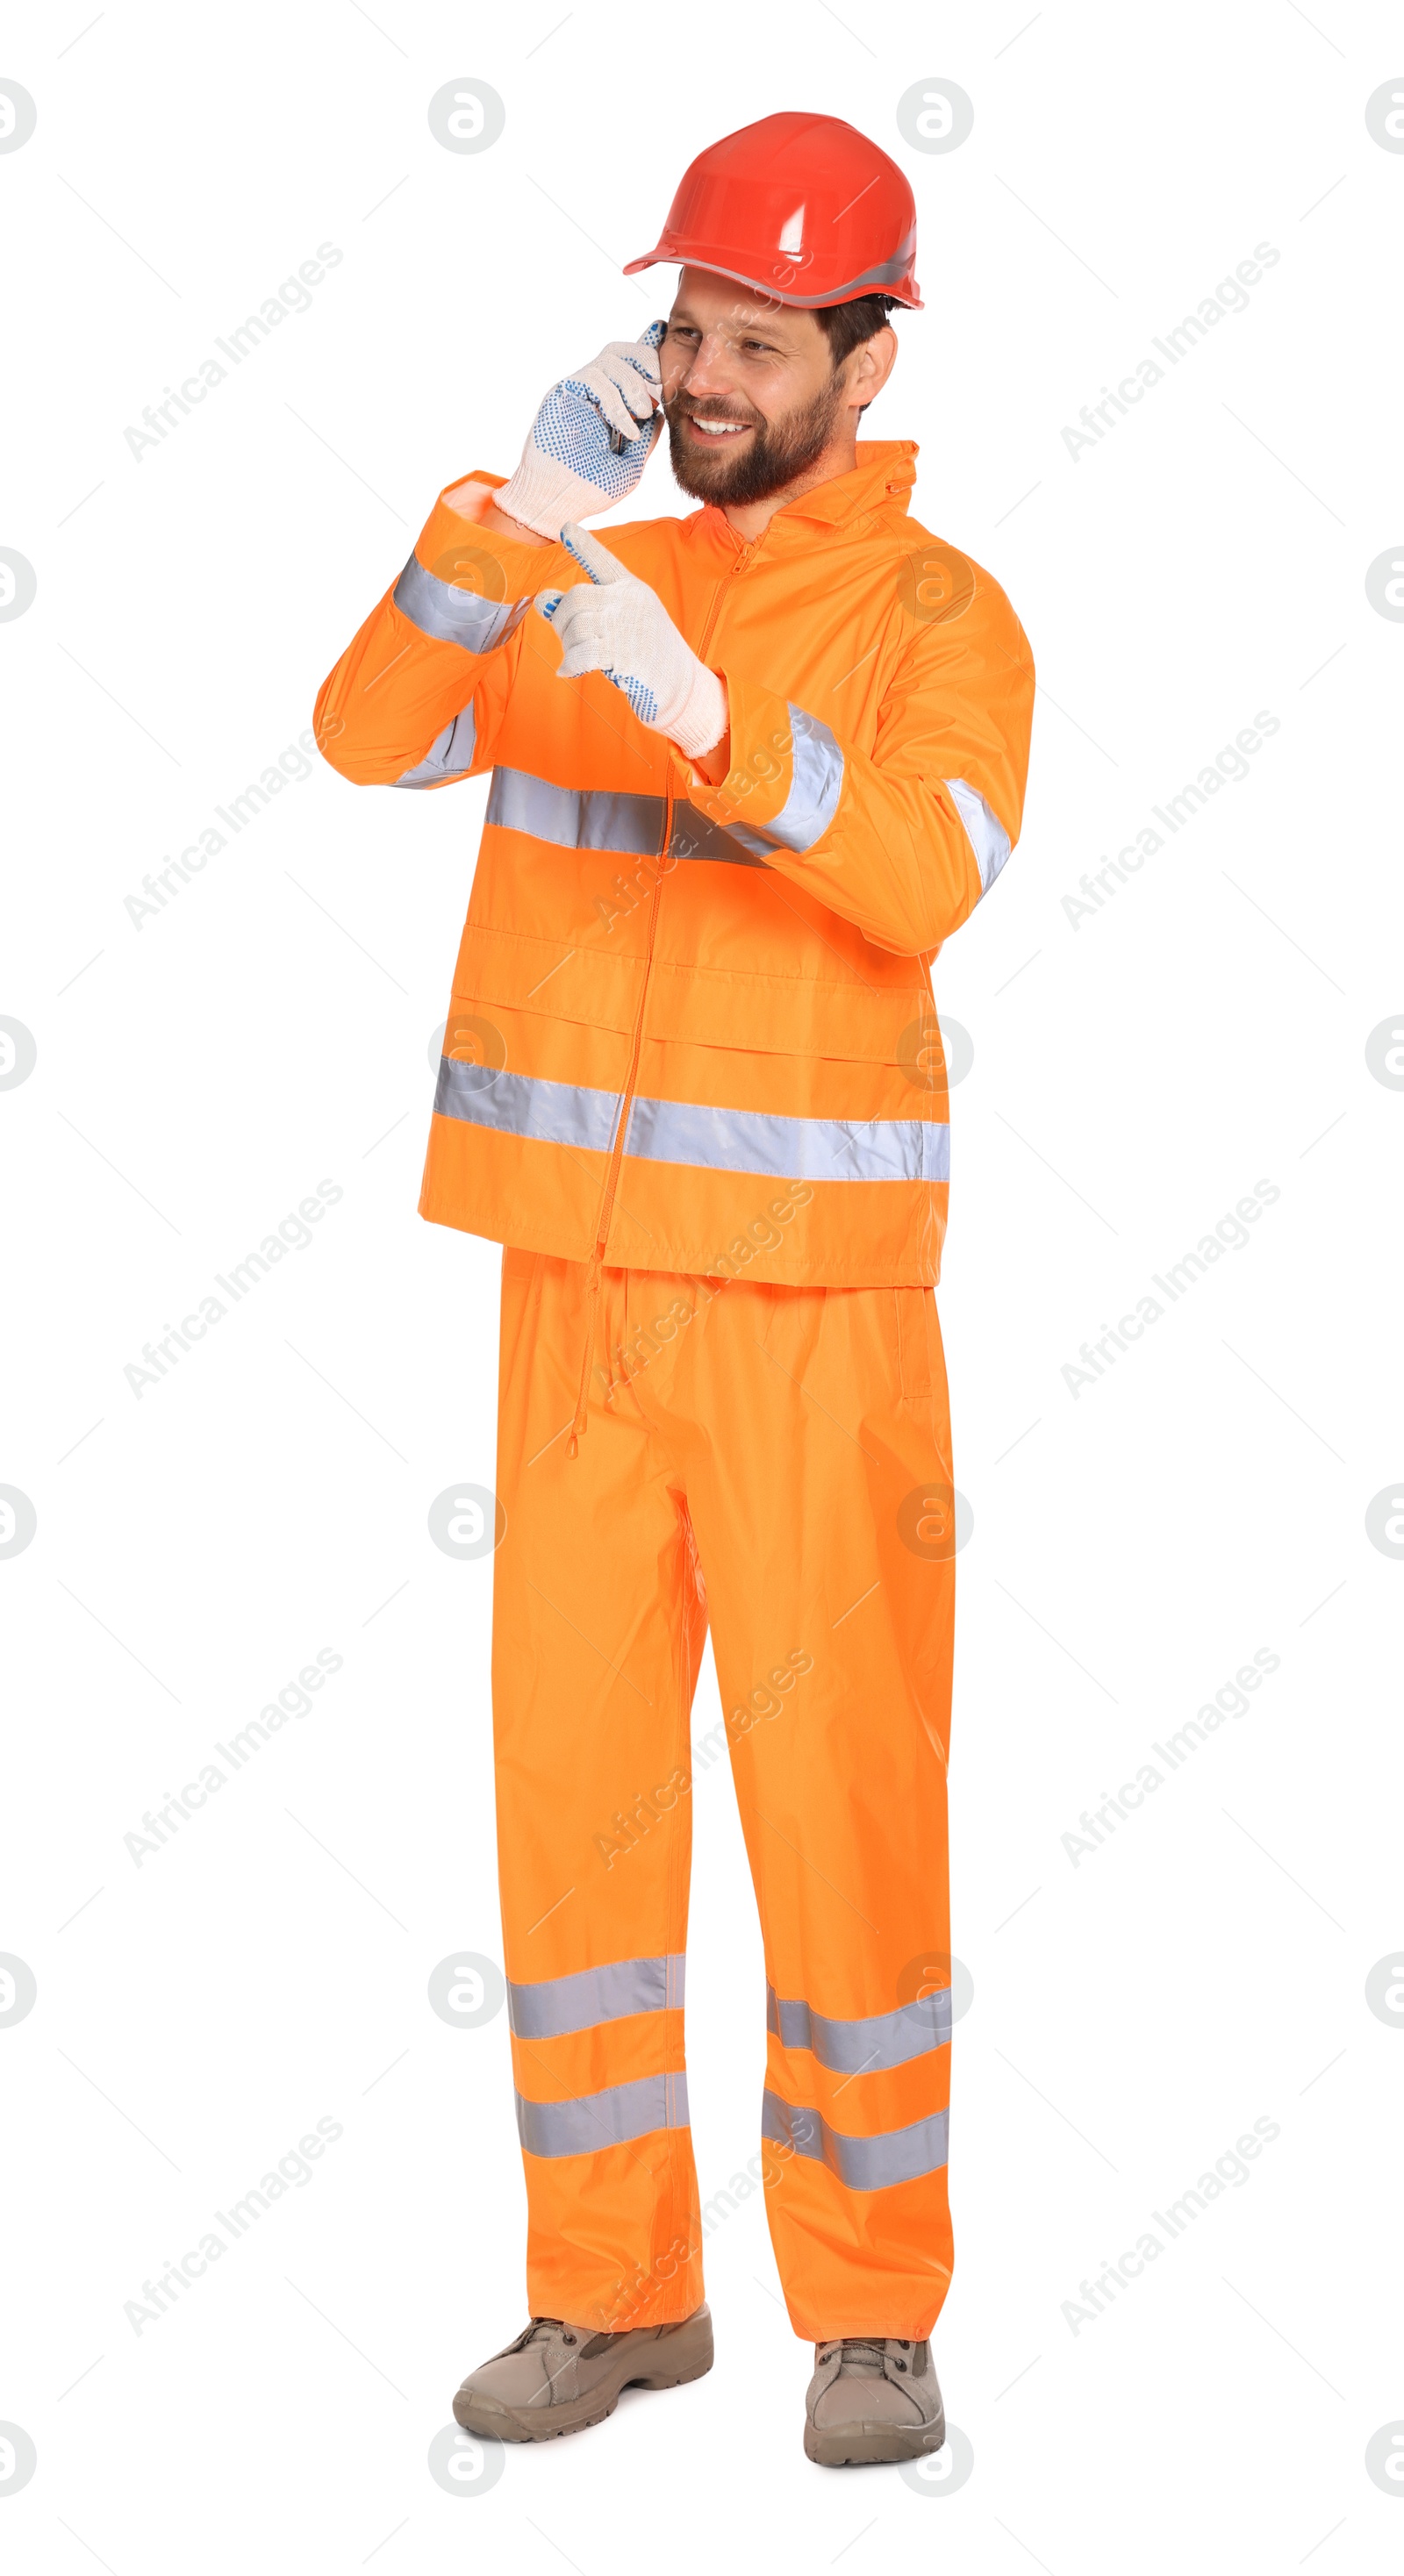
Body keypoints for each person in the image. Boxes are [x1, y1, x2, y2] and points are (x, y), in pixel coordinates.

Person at [315, 109, 1034, 2467]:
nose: (700, 380)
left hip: (815, 1308)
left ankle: (874, 2312)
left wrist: (720, 725)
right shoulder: (560, 572)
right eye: (679, 336)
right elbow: (363, 736)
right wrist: (518, 519)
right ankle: (610, 2294)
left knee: (839, 1803)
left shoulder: (947, 621)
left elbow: (922, 874)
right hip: (576, 1302)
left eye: (747, 341)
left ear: (858, 350)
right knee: (583, 1811)